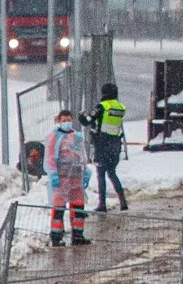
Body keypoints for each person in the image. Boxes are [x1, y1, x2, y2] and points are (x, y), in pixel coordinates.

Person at [43, 109, 93, 247]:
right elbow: (50, 157)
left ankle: (78, 235)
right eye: (64, 120)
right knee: (59, 208)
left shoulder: (77, 137)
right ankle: (56, 236)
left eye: (69, 120)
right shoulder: (54, 137)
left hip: (76, 177)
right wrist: (53, 174)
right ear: (58, 121)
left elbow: (82, 155)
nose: (67, 123)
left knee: (78, 207)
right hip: (61, 178)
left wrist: (85, 171)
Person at [91, 82, 128, 213]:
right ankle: (123, 200)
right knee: (112, 173)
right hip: (115, 144)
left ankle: (102, 204)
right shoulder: (120, 107)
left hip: (102, 144)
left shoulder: (102, 106)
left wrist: (81, 117)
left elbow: (90, 119)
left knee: (100, 174)